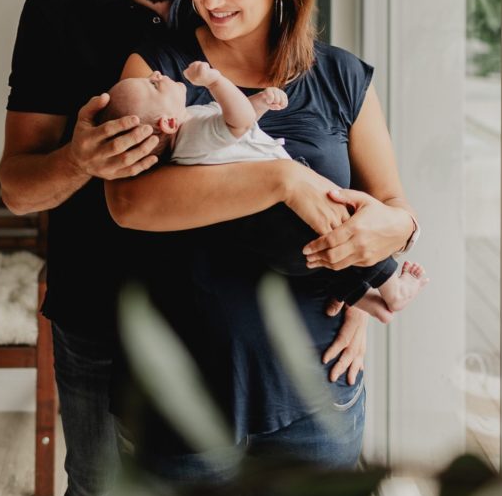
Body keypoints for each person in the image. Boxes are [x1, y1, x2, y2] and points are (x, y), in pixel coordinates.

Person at [0, 0, 398, 496]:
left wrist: (355, 291)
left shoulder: (240, 1)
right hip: (102, 305)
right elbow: (28, 189)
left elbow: (352, 177)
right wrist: (77, 162)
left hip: (245, 329)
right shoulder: (59, 12)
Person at [106, 0, 420, 496]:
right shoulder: (157, 71)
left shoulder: (339, 77)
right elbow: (130, 205)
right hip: (181, 395)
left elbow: (392, 205)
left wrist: (382, 243)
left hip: (313, 394)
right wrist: (278, 180)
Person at [102, 61, 427, 323]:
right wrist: (215, 81)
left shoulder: (184, 147)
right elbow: (238, 121)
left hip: (269, 240)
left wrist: (258, 103)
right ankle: (391, 287)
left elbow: (236, 125)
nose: (157, 74)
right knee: (342, 225)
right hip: (284, 219)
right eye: (154, 85)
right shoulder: (195, 132)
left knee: (330, 255)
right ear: (169, 124)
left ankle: (366, 300)